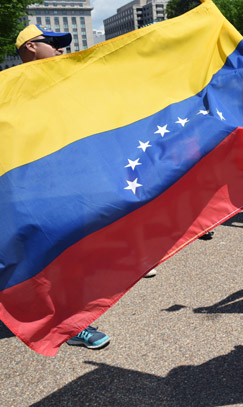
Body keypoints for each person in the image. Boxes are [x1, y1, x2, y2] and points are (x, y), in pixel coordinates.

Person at [15, 24, 111, 349]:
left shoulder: (63, 84)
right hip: (31, 191)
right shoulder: (11, 91)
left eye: (61, 45)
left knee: (68, 255)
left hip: (66, 187)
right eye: (51, 43)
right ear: (29, 47)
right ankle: (65, 321)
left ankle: (71, 321)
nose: (60, 49)